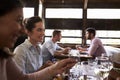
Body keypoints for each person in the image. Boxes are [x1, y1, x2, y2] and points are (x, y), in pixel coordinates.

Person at [0, 0, 77, 80]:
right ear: (28, 32)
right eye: (19, 20)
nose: (22, 30)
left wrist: (55, 68)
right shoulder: (20, 50)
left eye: (43, 30)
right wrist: (49, 68)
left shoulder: (4, 55)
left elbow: (23, 78)